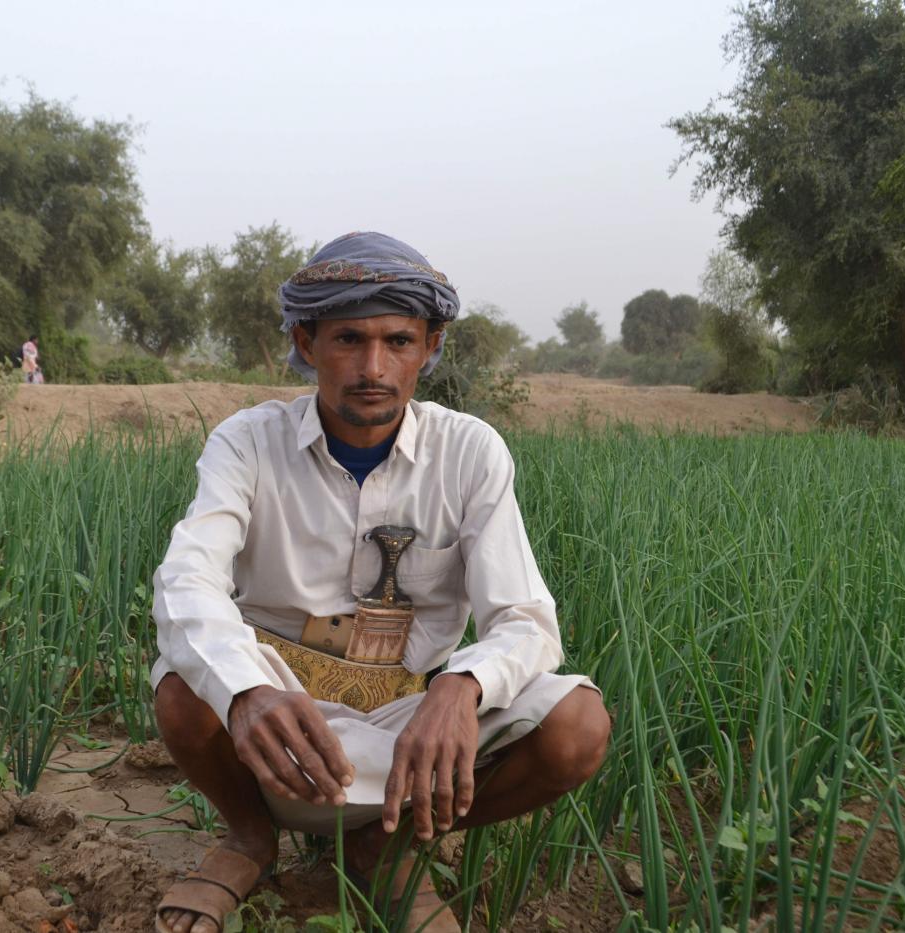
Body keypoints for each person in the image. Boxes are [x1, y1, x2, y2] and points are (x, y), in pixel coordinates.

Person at [152, 232, 610, 933]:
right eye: (348, 339)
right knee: (186, 686)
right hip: (282, 719)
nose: (374, 366)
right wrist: (247, 692)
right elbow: (187, 577)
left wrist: (462, 686)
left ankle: (386, 845)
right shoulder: (247, 442)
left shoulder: (469, 452)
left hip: (410, 727)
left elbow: (525, 617)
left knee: (577, 726)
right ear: (306, 344)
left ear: (430, 347)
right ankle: (249, 837)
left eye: (398, 341)